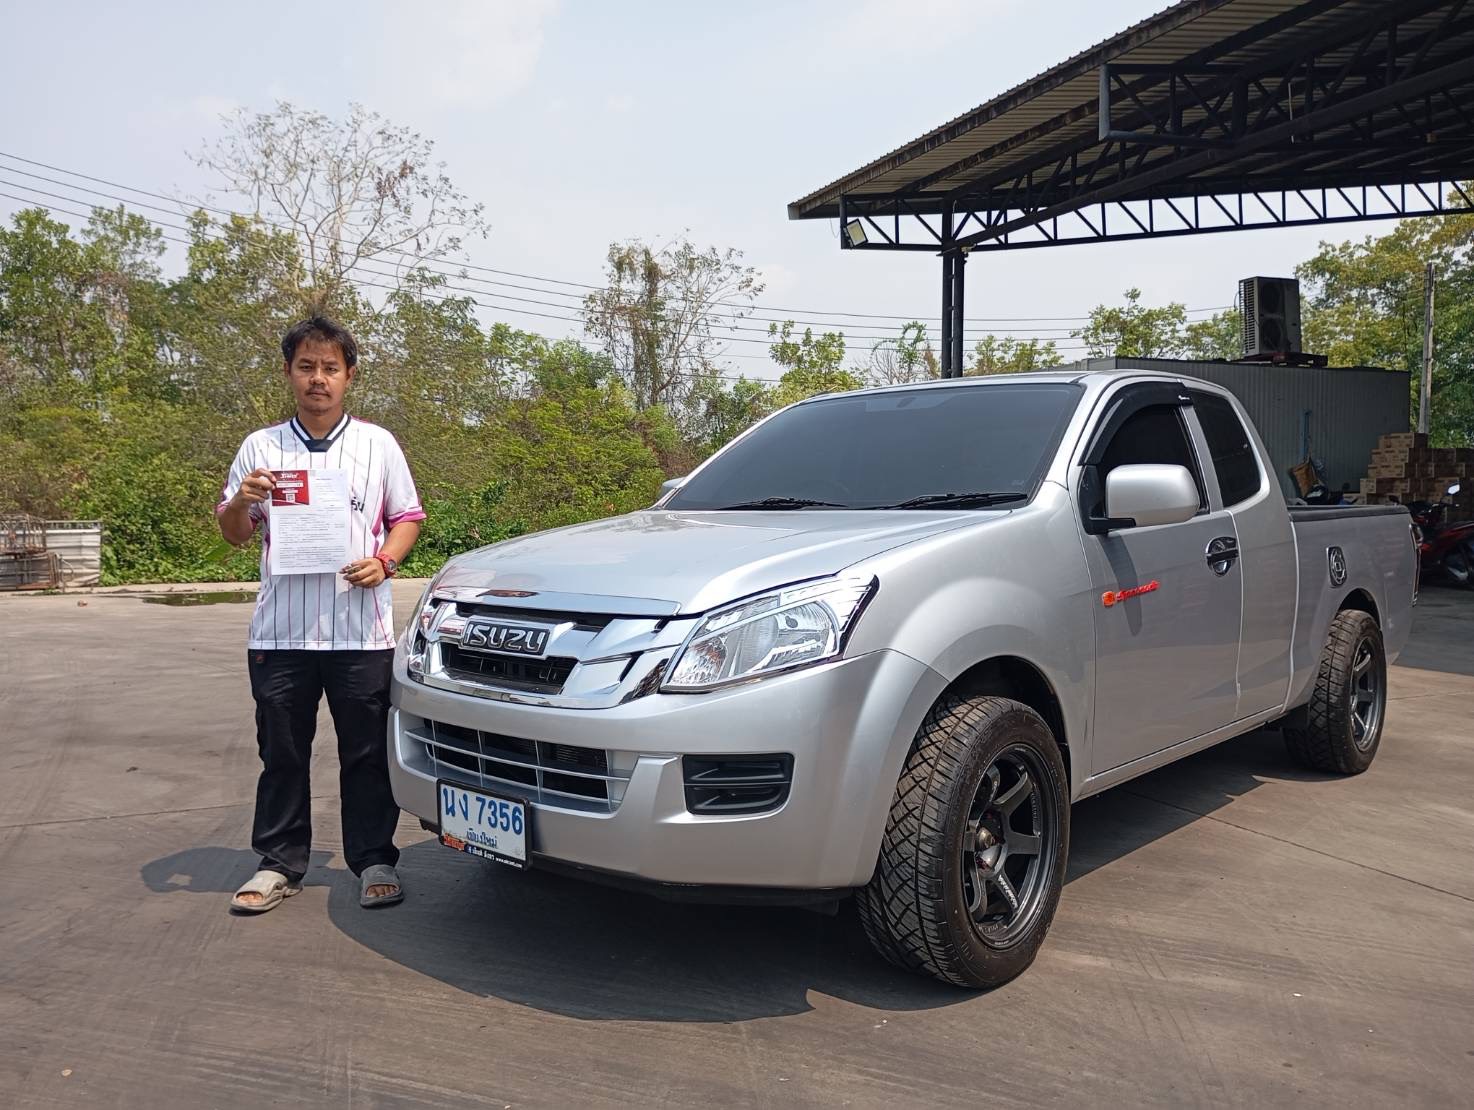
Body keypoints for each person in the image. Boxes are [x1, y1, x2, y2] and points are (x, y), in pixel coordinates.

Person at [216, 315, 425, 914]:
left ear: (348, 376)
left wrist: (384, 562)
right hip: (282, 632)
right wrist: (242, 501)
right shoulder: (261, 448)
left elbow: (407, 517)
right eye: (306, 366)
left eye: (330, 367)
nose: (318, 378)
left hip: (360, 630)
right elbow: (233, 532)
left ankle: (374, 858)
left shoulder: (377, 445)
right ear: (289, 372)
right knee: (282, 752)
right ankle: (278, 863)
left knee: (366, 751)